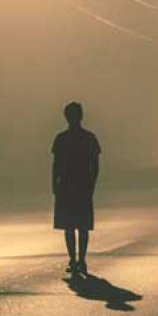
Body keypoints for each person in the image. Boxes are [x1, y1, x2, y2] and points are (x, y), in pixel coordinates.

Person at [52, 101, 101, 277]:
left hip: (66, 186)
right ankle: (81, 260)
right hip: (82, 186)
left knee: (69, 226)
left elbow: (56, 165)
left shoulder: (61, 139)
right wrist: (92, 184)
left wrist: (54, 185)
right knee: (82, 226)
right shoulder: (89, 138)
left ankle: (74, 259)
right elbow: (95, 165)